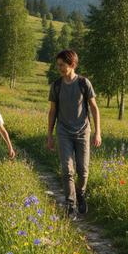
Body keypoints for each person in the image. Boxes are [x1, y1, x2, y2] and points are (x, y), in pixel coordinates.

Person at [47, 49, 101, 216]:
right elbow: (52, 111)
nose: (59, 68)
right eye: (57, 65)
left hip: (83, 132)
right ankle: (70, 204)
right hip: (63, 132)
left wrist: (97, 132)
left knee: (83, 170)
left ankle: (81, 193)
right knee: (67, 170)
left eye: (61, 65)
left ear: (72, 65)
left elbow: (94, 108)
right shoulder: (56, 85)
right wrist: (49, 135)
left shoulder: (84, 83)